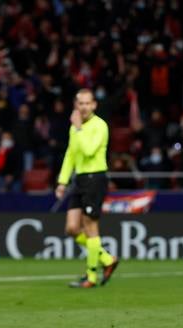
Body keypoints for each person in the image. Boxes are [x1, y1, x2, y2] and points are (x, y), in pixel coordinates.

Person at [55, 88, 119, 288]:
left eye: (86, 103)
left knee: (90, 227)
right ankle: (107, 259)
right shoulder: (76, 127)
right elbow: (71, 154)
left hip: (95, 178)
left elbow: (90, 150)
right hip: (80, 179)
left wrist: (79, 129)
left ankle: (91, 276)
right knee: (72, 228)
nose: (83, 107)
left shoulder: (100, 126)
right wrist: (62, 181)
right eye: (79, 103)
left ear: (93, 105)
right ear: (76, 105)